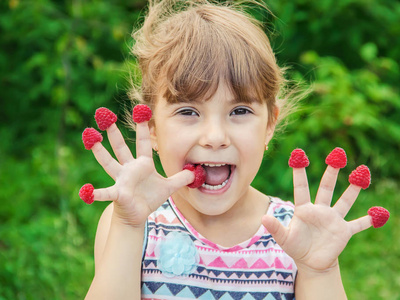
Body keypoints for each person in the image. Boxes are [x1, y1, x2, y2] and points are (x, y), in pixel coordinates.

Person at [82, 0, 384, 299]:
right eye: (188, 112)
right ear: (152, 129)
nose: (215, 137)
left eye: (239, 111)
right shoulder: (133, 221)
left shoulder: (297, 235)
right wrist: (128, 225)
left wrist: (320, 272)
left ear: (269, 124)